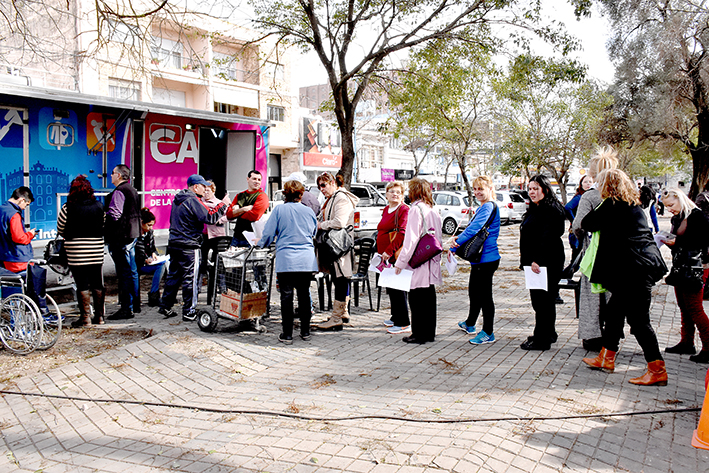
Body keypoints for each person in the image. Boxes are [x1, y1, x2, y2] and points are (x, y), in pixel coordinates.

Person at [581, 169, 669, 386]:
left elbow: (587, 223)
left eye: (600, 184)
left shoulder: (612, 206)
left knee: (639, 322)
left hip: (634, 271)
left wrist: (599, 201)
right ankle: (606, 357)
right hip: (636, 268)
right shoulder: (633, 205)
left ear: (607, 187)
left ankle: (656, 368)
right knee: (613, 313)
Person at [158, 174, 230, 321]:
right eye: (203, 186)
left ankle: (165, 306)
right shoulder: (193, 200)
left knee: (174, 275)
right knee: (190, 277)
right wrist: (223, 205)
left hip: (175, 243)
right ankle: (189, 311)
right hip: (189, 245)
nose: (205, 189)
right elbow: (210, 217)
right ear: (195, 187)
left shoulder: (178, 199)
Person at [257, 180, 318, 344]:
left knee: (286, 296)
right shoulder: (309, 211)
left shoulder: (279, 210)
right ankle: (305, 331)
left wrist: (260, 243)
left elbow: (268, 233)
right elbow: (314, 231)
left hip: (286, 259)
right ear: (301, 194)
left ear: (285, 194)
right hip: (306, 259)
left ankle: (287, 334)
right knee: (304, 295)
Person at [571, 146, 619, 351]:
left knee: (591, 297)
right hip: (618, 254)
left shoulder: (590, 196)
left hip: (595, 254)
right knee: (613, 296)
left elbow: (578, 226)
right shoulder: (623, 194)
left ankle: (592, 336)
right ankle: (613, 334)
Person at [661, 187, 709, 363]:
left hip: (695, 268)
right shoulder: (679, 217)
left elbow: (701, 242)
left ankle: (708, 347)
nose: (670, 209)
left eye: (671, 205)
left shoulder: (698, 216)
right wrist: (670, 243)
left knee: (695, 308)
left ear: (681, 199)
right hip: (681, 267)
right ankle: (687, 341)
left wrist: (677, 241)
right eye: (666, 207)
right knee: (684, 307)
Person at [450, 176, 501, 345]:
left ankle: (488, 332)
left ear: (490, 189)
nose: (478, 192)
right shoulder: (483, 207)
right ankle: (470, 323)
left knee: (485, 296)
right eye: (475, 189)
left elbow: (474, 228)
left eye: (481, 189)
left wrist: (457, 242)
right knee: (474, 292)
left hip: (487, 258)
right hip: (479, 259)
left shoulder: (488, 206)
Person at [519, 175, 566, 351]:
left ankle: (542, 339)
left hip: (544, 262)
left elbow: (548, 237)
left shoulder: (551, 209)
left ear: (545, 189)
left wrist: (537, 260)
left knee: (542, 301)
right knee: (542, 301)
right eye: (530, 189)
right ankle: (548, 333)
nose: (532, 192)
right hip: (535, 262)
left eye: (536, 188)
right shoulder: (536, 207)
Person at [394, 178, 443, 344]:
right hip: (430, 258)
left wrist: (400, 263)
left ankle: (418, 334)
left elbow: (411, 239)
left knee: (416, 299)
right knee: (429, 298)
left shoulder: (415, 210)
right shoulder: (432, 209)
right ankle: (429, 333)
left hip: (419, 260)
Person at [57, 176, 106, 327]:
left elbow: (60, 228)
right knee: (97, 281)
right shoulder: (99, 206)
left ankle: (85, 318)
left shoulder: (68, 208)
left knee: (82, 283)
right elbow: (104, 224)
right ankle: (100, 316)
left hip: (76, 250)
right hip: (96, 248)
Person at [314, 172, 359, 331]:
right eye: (319, 186)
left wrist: (321, 225)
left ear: (332, 182)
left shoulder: (340, 198)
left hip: (339, 247)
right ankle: (342, 313)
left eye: (324, 185)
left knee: (340, 280)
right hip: (336, 246)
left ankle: (336, 318)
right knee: (339, 279)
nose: (321, 189)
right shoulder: (333, 198)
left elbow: (339, 222)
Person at [0, 186, 49, 315]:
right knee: (33, 281)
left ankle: (14, 318)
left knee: (10, 290)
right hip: (17, 258)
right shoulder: (14, 214)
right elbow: (19, 238)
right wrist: (31, 234)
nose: (25, 208)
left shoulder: (1, 209)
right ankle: (38, 314)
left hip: (4, 258)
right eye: (26, 204)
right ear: (21, 199)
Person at [104, 164, 141, 320]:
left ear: (119, 175)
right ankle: (135, 304)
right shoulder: (132, 190)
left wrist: (104, 214)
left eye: (112, 173)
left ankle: (126, 308)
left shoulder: (119, 192)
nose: (110, 176)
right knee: (132, 272)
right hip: (132, 234)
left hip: (121, 235)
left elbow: (115, 214)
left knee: (124, 273)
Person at [376, 181, 410, 334]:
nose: (395, 194)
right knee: (390, 286)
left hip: (394, 253)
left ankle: (403, 322)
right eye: (392, 191)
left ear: (402, 195)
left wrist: (389, 251)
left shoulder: (404, 209)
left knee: (398, 287)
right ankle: (395, 316)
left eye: (398, 192)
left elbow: (402, 233)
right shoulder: (386, 209)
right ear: (386, 194)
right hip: (385, 255)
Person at [199, 181, 229, 295]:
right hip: (203, 235)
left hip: (217, 235)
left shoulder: (219, 203)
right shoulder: (200, 203)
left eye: (208, 190)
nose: (206, 193)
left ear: (213, 191)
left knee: (219, 263)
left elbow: (228, 216)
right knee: (202, 262)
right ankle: (198, 288)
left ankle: (222, 289)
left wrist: (219, 220)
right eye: (204, 190)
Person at [227, 170, 269, 248]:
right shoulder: (240, 196)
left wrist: (236, 212)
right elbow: (229, 215)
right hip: (237, 237)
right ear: (247, 179)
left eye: (259, 180)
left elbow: (254, 216)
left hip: (252, 237)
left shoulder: (262, 196)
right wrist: (244, 209)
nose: (257, 181)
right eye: (254, 179)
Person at [135, 208, 167, 308]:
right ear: (141, 223)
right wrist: (144, 259)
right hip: (138, 264)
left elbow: (152, 247)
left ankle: (154, 293)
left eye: (152, 225)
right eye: (148, 225)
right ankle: (152, 295)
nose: (150, 228)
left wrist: (153, 253)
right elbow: (136, 253)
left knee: (162, 266)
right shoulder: (135, 234)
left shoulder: (149, 233)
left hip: (147, 261)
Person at [565, 175, 593, 262]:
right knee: (577, 259)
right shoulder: (580, 197)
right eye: (585, 182)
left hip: (585, 232)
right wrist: (575, 221)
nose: (588, 184)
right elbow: (567, 207)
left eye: (590, 182)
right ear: (581, 184)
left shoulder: (589, 196)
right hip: (578, 232)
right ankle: (566, 274)